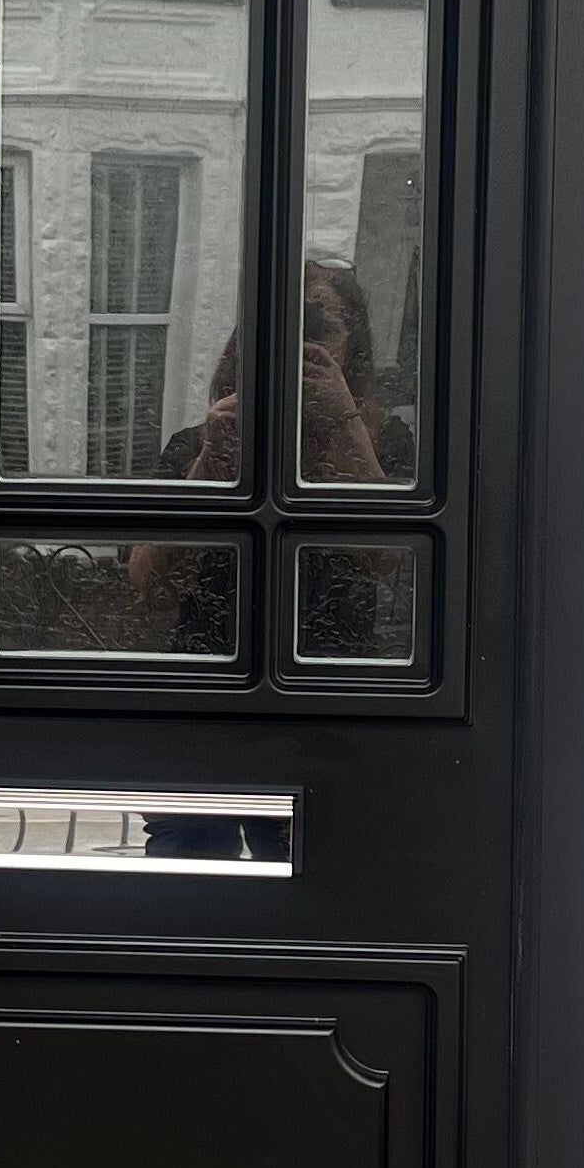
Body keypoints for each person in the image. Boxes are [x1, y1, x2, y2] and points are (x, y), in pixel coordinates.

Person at [131, 260, 415, 863]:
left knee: (317, 875)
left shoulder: (380, 445)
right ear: (247, 341)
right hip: (207, 690)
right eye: (282, 325)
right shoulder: (197, 444)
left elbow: (389, 554)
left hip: (329, 699)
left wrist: (342, 422)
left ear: (352, 349)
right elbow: (148, 583)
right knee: (185, 873)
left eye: (319, 325)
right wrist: (214, 460)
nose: (298, 344)